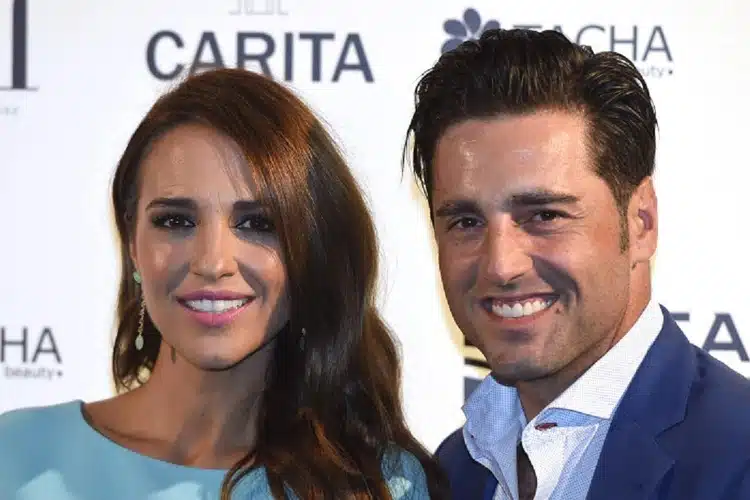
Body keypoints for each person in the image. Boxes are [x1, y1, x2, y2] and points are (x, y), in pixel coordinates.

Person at [0, 68, 448, 500]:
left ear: (312, 250)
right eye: (175, 221)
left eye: (258, 223)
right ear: (133, 245)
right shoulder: (17, 455)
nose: (212, 263)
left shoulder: (382, 486)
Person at [403, 28, 750, 500]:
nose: (501, 265)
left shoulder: (738, 457)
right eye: (466, 222)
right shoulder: (452, 471)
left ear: (641, 222)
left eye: (545, 216)